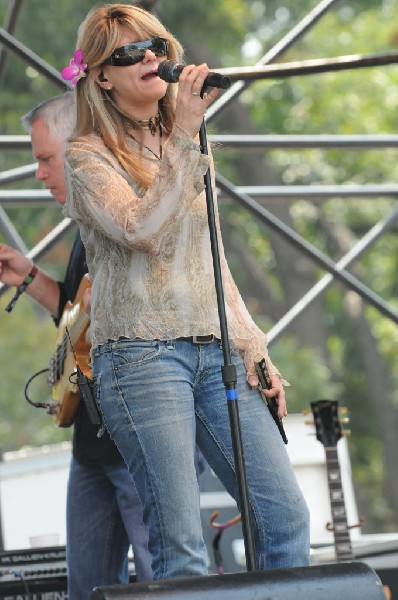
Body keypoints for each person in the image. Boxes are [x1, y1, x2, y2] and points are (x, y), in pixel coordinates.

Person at [62, 3, 310, 581]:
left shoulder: (185, 144)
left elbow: (212, 261)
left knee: (285, 517)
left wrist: (254, 347)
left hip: (216, 351)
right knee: (181, 547)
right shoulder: (85, 155)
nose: (149, 57)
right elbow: (140, 229)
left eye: (157, 47)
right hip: (142, 360)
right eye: (129, 52)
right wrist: (183, 134)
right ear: (101, 74)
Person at [0, 92, 153, 599]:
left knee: (164, 579)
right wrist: (29, 278)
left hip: (140, 435)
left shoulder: (127, 217)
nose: (40, 174)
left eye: (45, 159)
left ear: (79, 148)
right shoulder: (84, 232)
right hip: (91, 440)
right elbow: (74, 318)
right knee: (88, 587)